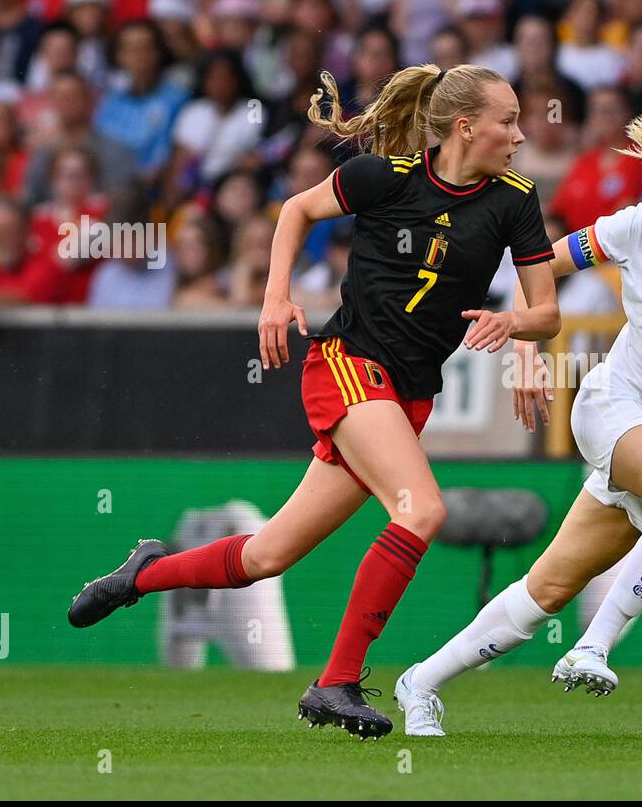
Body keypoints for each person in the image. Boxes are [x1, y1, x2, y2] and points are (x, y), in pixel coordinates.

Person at [66, 63, 561, 740]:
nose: (520, 133)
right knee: (422, 511)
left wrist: (523, 340)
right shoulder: (386, 177)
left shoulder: (514, 199)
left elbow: (547, 312)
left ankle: (144, 573)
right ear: (464, 126)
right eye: (507, 120)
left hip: (405, 397)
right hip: (348, 367)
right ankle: (337, 682)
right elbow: (295, 210)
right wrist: (276, 295)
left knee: (267, 556)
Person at [392, 110, 642, 735]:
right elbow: (538, 269)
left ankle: (419, 681)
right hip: (617, 402)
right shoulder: (641, 227)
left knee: (547, 590)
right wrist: (527, 349)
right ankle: (592, 648)